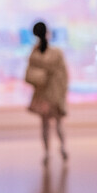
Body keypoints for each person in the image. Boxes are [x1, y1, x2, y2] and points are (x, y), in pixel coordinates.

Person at [26, 21, 69, 166]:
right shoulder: (56, 54)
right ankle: (62, 148)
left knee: (44, 124)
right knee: (58, 124)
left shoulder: (34, 53)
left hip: (42, 94)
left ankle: (47, 152)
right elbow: (64, 75)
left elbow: (31, 74)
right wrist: (62, 92)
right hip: (54, 93)